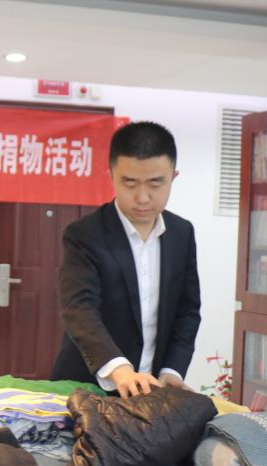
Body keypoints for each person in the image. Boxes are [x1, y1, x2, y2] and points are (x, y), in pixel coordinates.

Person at [51, 121, 201, 398]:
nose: (142, 197)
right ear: (111, 176)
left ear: (173, 177)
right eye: (129, 183)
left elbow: (187, 311)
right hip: (88, 387)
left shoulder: (182, 233)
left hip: (152, 389)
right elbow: (79, 308)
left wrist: (172, 370)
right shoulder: (84, 234)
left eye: (155, 183)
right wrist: (118, 368)